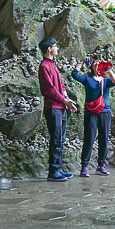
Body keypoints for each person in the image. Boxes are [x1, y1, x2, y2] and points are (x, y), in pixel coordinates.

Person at [37, 37, 77, 181]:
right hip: (53, 107)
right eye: (55, 46)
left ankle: (58, 169)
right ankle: (53, 171)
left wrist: (67, 99)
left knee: (60, 139)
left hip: (60, 107)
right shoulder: (44, 66)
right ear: (49, 49)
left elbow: (60, 85)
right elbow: (49, 90)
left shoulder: (53, 65)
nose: (57, 48)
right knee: (55, 139)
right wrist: (65, 101)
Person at [71, 57, 115, 177]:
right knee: (89, 138)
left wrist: (107, 67)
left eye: (99, 64)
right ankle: (84, 166)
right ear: (91, 66)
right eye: (94, 63)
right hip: (91, 112)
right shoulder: (87, 78)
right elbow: (74, 74)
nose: (97, 65)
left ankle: (101, 166)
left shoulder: (105, 80)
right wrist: (81, 62)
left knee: (104, 139)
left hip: (105, 112)